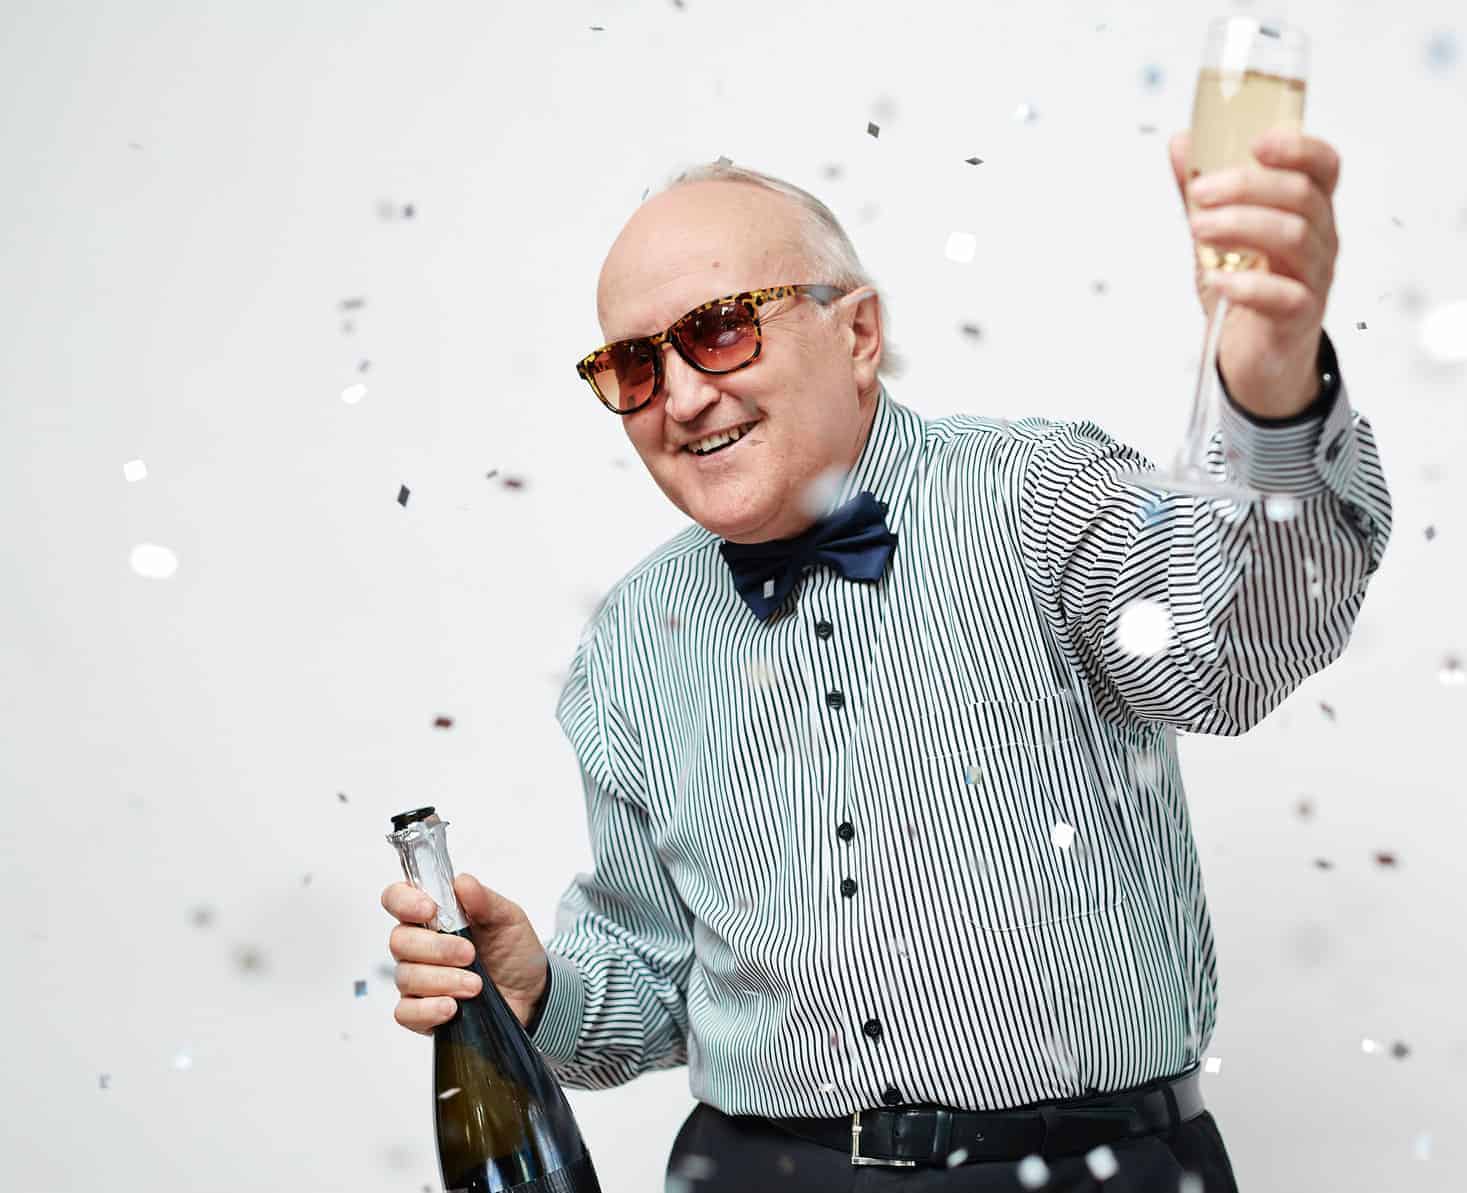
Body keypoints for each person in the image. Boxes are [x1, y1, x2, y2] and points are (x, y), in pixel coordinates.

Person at [381, 126, 1391, 1191]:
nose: (679, 398)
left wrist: (1272, 380)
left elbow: (1231, 646)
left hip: (1086, 1169)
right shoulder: (632, 642)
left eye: (720, 331)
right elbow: (656, 977)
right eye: (636, 364)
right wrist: (535, 988)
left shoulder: (1036, 495)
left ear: (858, 331)